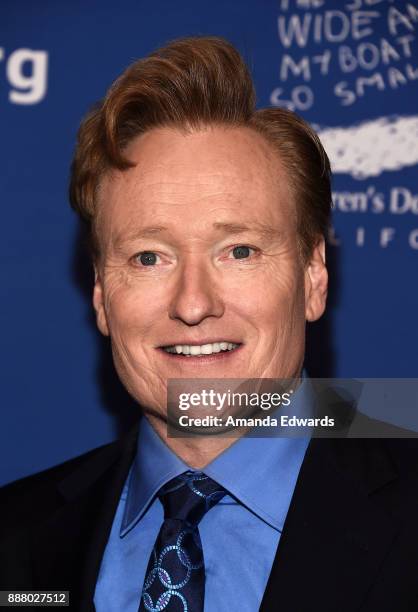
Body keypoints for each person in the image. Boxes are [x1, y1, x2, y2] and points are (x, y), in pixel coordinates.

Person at [1, 36, 417, 612]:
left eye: (239, 251)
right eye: (150, 257)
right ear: (100, 292)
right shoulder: (15, 540)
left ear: (313, 277)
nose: (193, 304)